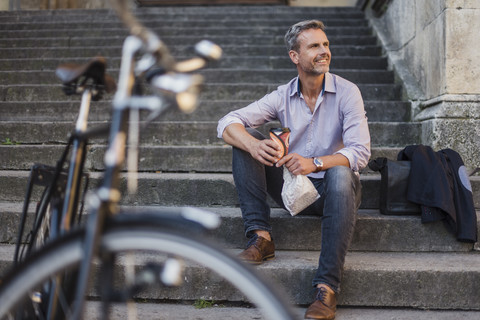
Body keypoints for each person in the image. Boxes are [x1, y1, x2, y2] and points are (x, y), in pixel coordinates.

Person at [216, 20, 370, 320]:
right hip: (294, 189)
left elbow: (360, 152)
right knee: (246, 142)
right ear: (294, 56)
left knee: (340, 172)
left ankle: (326, 289)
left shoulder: (348, 93)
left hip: (335, 193)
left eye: (325, 45)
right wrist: (253, 144)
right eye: (314, 46)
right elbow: (227, 121)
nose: (324, 51)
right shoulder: (282, 96)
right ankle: (261, 237)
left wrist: (315, 163)